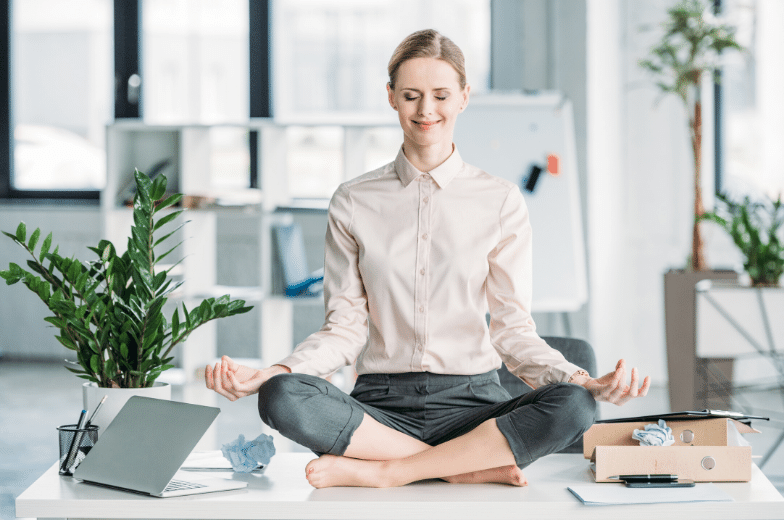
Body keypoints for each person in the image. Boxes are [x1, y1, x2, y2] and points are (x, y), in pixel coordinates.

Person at [206, 29, 650, 489]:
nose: (425, 111)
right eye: (411, 96)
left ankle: (391, 472)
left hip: (474, 404)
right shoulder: (353, 200)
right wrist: (271, 373)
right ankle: (463, 468)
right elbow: (343, 330)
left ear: (463, 97)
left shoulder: (500, 200)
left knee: (576, 405)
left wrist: (583, 379)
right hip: (378, 410)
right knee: (282, 397)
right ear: (392, 97)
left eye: (440, 95)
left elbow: (512, 329)